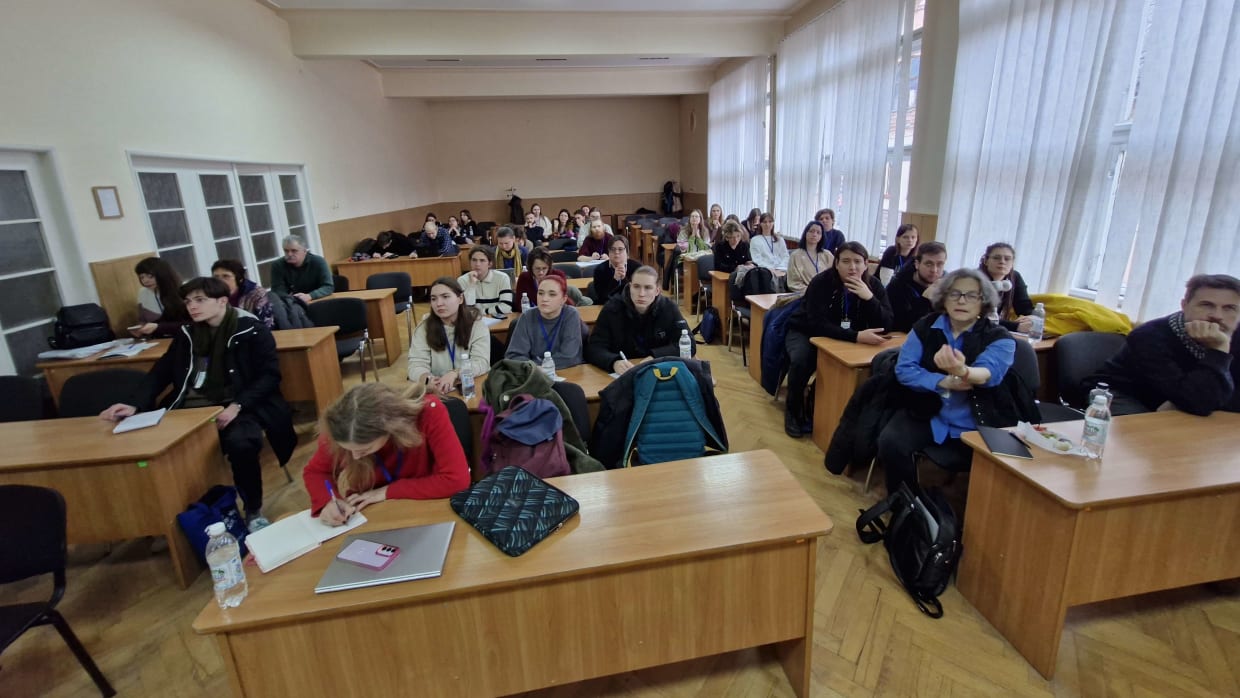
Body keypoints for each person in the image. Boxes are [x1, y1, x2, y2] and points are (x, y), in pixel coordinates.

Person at [99, 277, 296, 532]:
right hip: (188, 407)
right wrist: (134, 404)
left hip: (238, 405)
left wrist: (237, 406)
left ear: (222, 301)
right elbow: (162, 372)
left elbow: (269, 376)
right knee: (151, 449)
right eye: (189, 301)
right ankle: (169, 517)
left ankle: (253, 509)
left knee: (243, 443)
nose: (192, 306)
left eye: (200, 300)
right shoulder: (187, 334)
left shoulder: (251, 330)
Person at [877, 268, 1022, 494]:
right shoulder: (925, 327)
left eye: (971, 295)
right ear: (944, 299)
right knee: (891, 443)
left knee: (1010, 469)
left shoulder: (1000, 337)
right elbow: (904, 369)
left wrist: (963, 371)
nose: (961, 301)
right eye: (954, 294)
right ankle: (907, 508)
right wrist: (943, 381)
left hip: (978, 418)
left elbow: (988, 374)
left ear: (982, 302)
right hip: (928, 410)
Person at [303, 382, 471, 525]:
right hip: (371, 514)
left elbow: (456, 480)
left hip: (427, 507)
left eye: (364, 450)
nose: (354, 456)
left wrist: (386, 492)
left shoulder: (428, 412)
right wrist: (328, 502)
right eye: (348, 449)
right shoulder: (341, 430)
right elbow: (316, 472)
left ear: (390, 430)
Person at [1089, 274, 1240, 416]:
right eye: (1206, 305)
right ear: (1184, 305)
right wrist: (1218, 350)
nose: (1217, 316)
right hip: (1122, 394)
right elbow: (1196, 402)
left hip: (1181, 399)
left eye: (1229, 308)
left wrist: (1183, 403)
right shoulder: (1150, 336)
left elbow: (1198, 402)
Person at [783, 242, 893, 437]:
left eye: (858, 261)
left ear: (866, 264)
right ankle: (792, 410)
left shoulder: (873, 285)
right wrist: (856, 336)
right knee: (802, 361)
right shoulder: (821, 282)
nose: (852, 267)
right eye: (846, 261)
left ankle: (824, 408)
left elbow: (887, 323)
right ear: (836, 264)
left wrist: (869, 299)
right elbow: (816, 323)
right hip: (806, 331)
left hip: (846, 338)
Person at [587, 266, 694, 375]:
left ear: (657, 291)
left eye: (648, 288)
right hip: (622, 375)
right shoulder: (611, 309)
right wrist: (614, 362)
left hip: (658, 371)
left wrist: (655, 356)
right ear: (630, 287)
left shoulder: (669, 308)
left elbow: (689, 344)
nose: (641, 294)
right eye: (636, 287)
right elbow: (594, 347)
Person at [408, 277, 490, 395]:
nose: (439, 303)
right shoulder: (423, 329)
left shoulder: (477, 326)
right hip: (437, 391)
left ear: (460, 298)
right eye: (433, 299)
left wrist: (456, 373)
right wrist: (427, 379)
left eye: (445, 297)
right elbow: (416, 364)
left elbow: (481, 362)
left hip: (470, 386)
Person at [505, 274, 588, 369]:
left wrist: (538, 366)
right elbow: (513, 357)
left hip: (566, 372)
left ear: (563, 299)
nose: (544, 299)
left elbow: (570, 357)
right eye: (540, 293)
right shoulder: (527, 316)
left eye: (552, 294)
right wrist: (535, 369)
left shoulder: (571, 314)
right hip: (533, 375)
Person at [886, 241, 948, 332]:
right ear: (917, 264)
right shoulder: (897, 286)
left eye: (940, 264)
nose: (934, 270)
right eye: (928, 264)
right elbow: (903, 326)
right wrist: (925, 300)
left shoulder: (947, 284)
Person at [978, 242, 1034, 332]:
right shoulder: (973, 279)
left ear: (1012, 263)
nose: (1002, 262)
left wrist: (1030, 318)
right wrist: (1015, 327)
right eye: (996, 258)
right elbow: (978, 318)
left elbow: (1025, 309)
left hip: (997, 330)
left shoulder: (1015, 277)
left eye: (1007, 259)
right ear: (986, 261)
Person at [513, 247, 591, 308]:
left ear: (549, 267)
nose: (541, 272)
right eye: (537, 268)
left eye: (544, 268)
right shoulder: (524, 277)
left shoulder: (558, 275)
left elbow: (561, 300)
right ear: (530, 267)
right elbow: (519, 304)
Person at [132, 256, 190, 338]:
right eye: (142, 277)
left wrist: (157, 327)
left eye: (150, 276)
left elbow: (190, 324)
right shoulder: (162, 293)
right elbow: (165, 320)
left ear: (162, 274)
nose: (145, 281)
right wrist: (144, 329)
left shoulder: (183, 292)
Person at [211, 259, 273, 329]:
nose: (220, 280)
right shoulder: (210, 296)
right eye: (216, 277)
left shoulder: (257, 294)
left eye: (226, 276)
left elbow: (266, 324)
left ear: (239, 279)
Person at [271, 234, 333, 303]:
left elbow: (328, 287)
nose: (289, 254)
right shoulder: (277, 265)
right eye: (286, 251)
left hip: (317, 302)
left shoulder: (318, 262)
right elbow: (277, 291)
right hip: (292, 305)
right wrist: (291, 298)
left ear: (304, 251)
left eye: (294, 251)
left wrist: (310, 296)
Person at [457, 246, 513, 318]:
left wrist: (482, 312)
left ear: (490, 264)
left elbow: (506, 307)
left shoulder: (502, 278)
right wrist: (471, 286)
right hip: (473, 322)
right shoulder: (462, 280)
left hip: (498, 320)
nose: (477, 264)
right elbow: (466, 310)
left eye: (482, 260)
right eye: (474, 260)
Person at [786, 221, 834, 294]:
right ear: (805, 233)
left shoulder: (827, 255)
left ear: (821, 236)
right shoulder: (795, 255)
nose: (814, 234)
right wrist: (813, 291)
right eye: (811, 231)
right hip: (806, 294)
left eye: (818, 232)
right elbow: (794, 283)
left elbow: (834, 276)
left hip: (826, 294)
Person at [591, 236, 642, 303]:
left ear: (627, 252)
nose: (616, 252)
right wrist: (615, 280)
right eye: (613, 249)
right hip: (608, 307)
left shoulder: (638, 268)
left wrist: (624, 279)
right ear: (608, 252)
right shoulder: (600, 270)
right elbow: (602, 298)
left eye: (620, 249)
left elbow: (638, 295)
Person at [749, 212, 790, 284]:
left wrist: (780, 268)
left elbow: (785, 256)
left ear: (773, 223)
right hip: (766, 271)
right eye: (764, 222)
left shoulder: (779, 239)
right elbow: (757, 260)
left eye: (770, 222)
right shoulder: (755, 240)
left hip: (782, 270)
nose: (767, 225)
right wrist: (771, 269)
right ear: (760, 224)